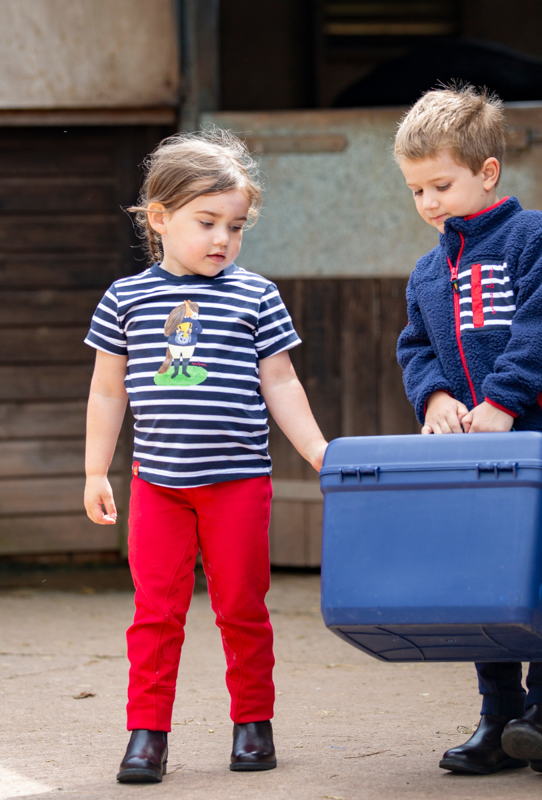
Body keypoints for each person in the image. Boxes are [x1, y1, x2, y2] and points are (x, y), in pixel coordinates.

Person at [83, 129, 328, 783]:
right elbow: (107, 392)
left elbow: (281, 382)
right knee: (155, 612)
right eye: (207, 223)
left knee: (242, 606)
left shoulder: (256, 296)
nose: (223, 239)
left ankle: (253, 724)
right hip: (157, 485)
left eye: (236, 226)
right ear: (159, 219)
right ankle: (147, 735)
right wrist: (94, 472)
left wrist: (316, 450)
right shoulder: (125, 299)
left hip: (238, 483)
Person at [394, 84, 542, 776]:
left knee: (540, 578)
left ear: (486, 174)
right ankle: (497, 714)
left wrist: (505, 398)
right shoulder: (429, 271)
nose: (429, 204)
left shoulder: (535, 239)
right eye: (416, 191)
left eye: (441, 185)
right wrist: (431, 401)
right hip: (472, 453)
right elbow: (416, 347)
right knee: (483, 582)